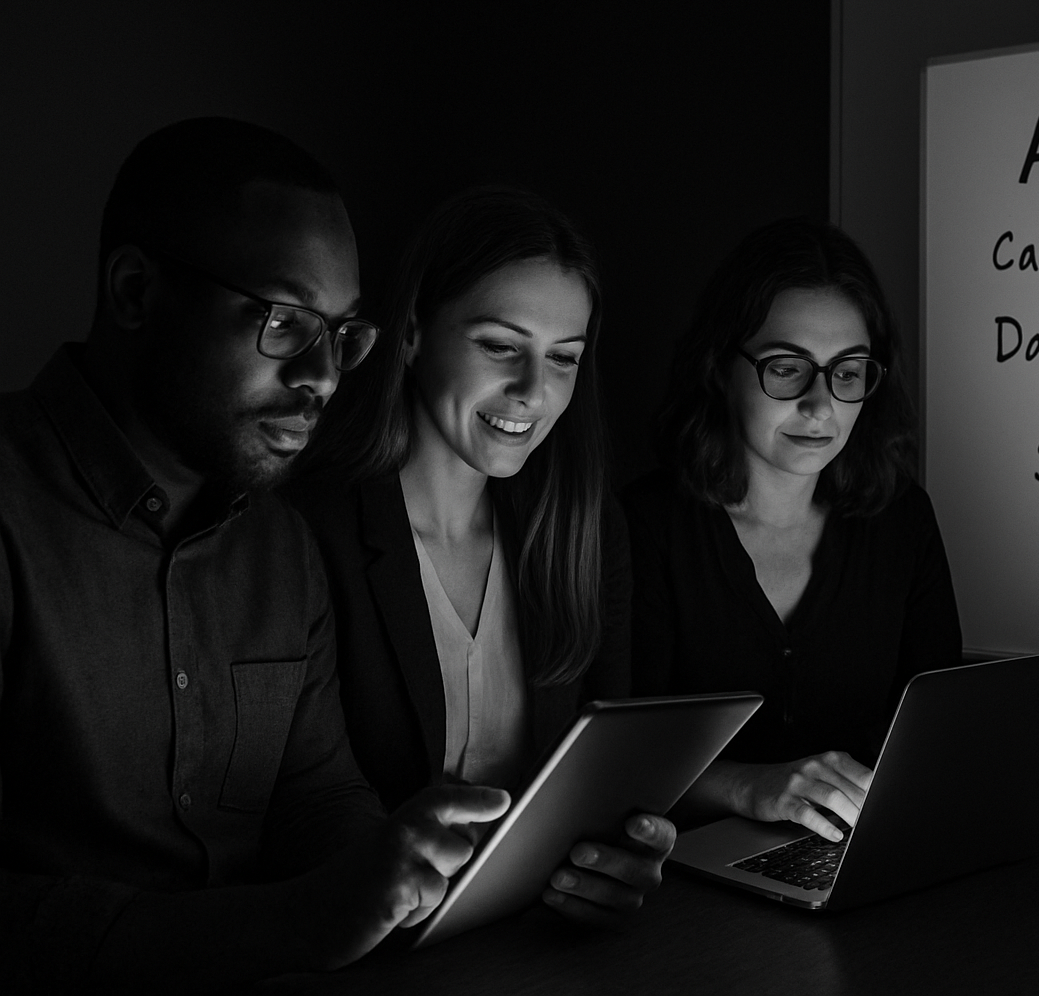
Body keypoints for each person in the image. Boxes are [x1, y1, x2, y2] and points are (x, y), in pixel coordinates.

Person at [0, 118, 513, 992]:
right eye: (285, 320)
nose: (323, 375)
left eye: (344, 334)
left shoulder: (280, 546)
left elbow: (318, 796)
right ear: (135, 291)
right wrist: (289, 923)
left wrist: (409, 874)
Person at [289, 185, 671, 926]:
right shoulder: (309, 530)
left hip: (539, 936)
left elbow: (610, 773)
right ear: (411, 336)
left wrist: (622, 859)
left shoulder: (588, 532)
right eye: (500, 346)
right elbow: (302, 812)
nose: (533, 390)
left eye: (564, 358)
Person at [625, 218, 962, 843]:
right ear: (720, 367)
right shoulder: (644, 527)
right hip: (679, 886)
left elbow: (939, 732)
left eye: (848, 371)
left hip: (857, 859)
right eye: (786, 368)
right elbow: (615, 764)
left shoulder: (903, 519)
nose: (820, 405)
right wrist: (749, 786)